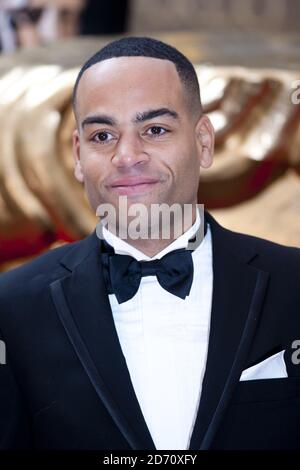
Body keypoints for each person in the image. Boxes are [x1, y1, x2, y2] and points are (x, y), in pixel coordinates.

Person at [0, 36, 300, 451]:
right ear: (77, 155)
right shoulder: (11, 307)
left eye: (155, 129)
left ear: (204, 142)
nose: (127, 155)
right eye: (103, 135)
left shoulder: (293, 284)